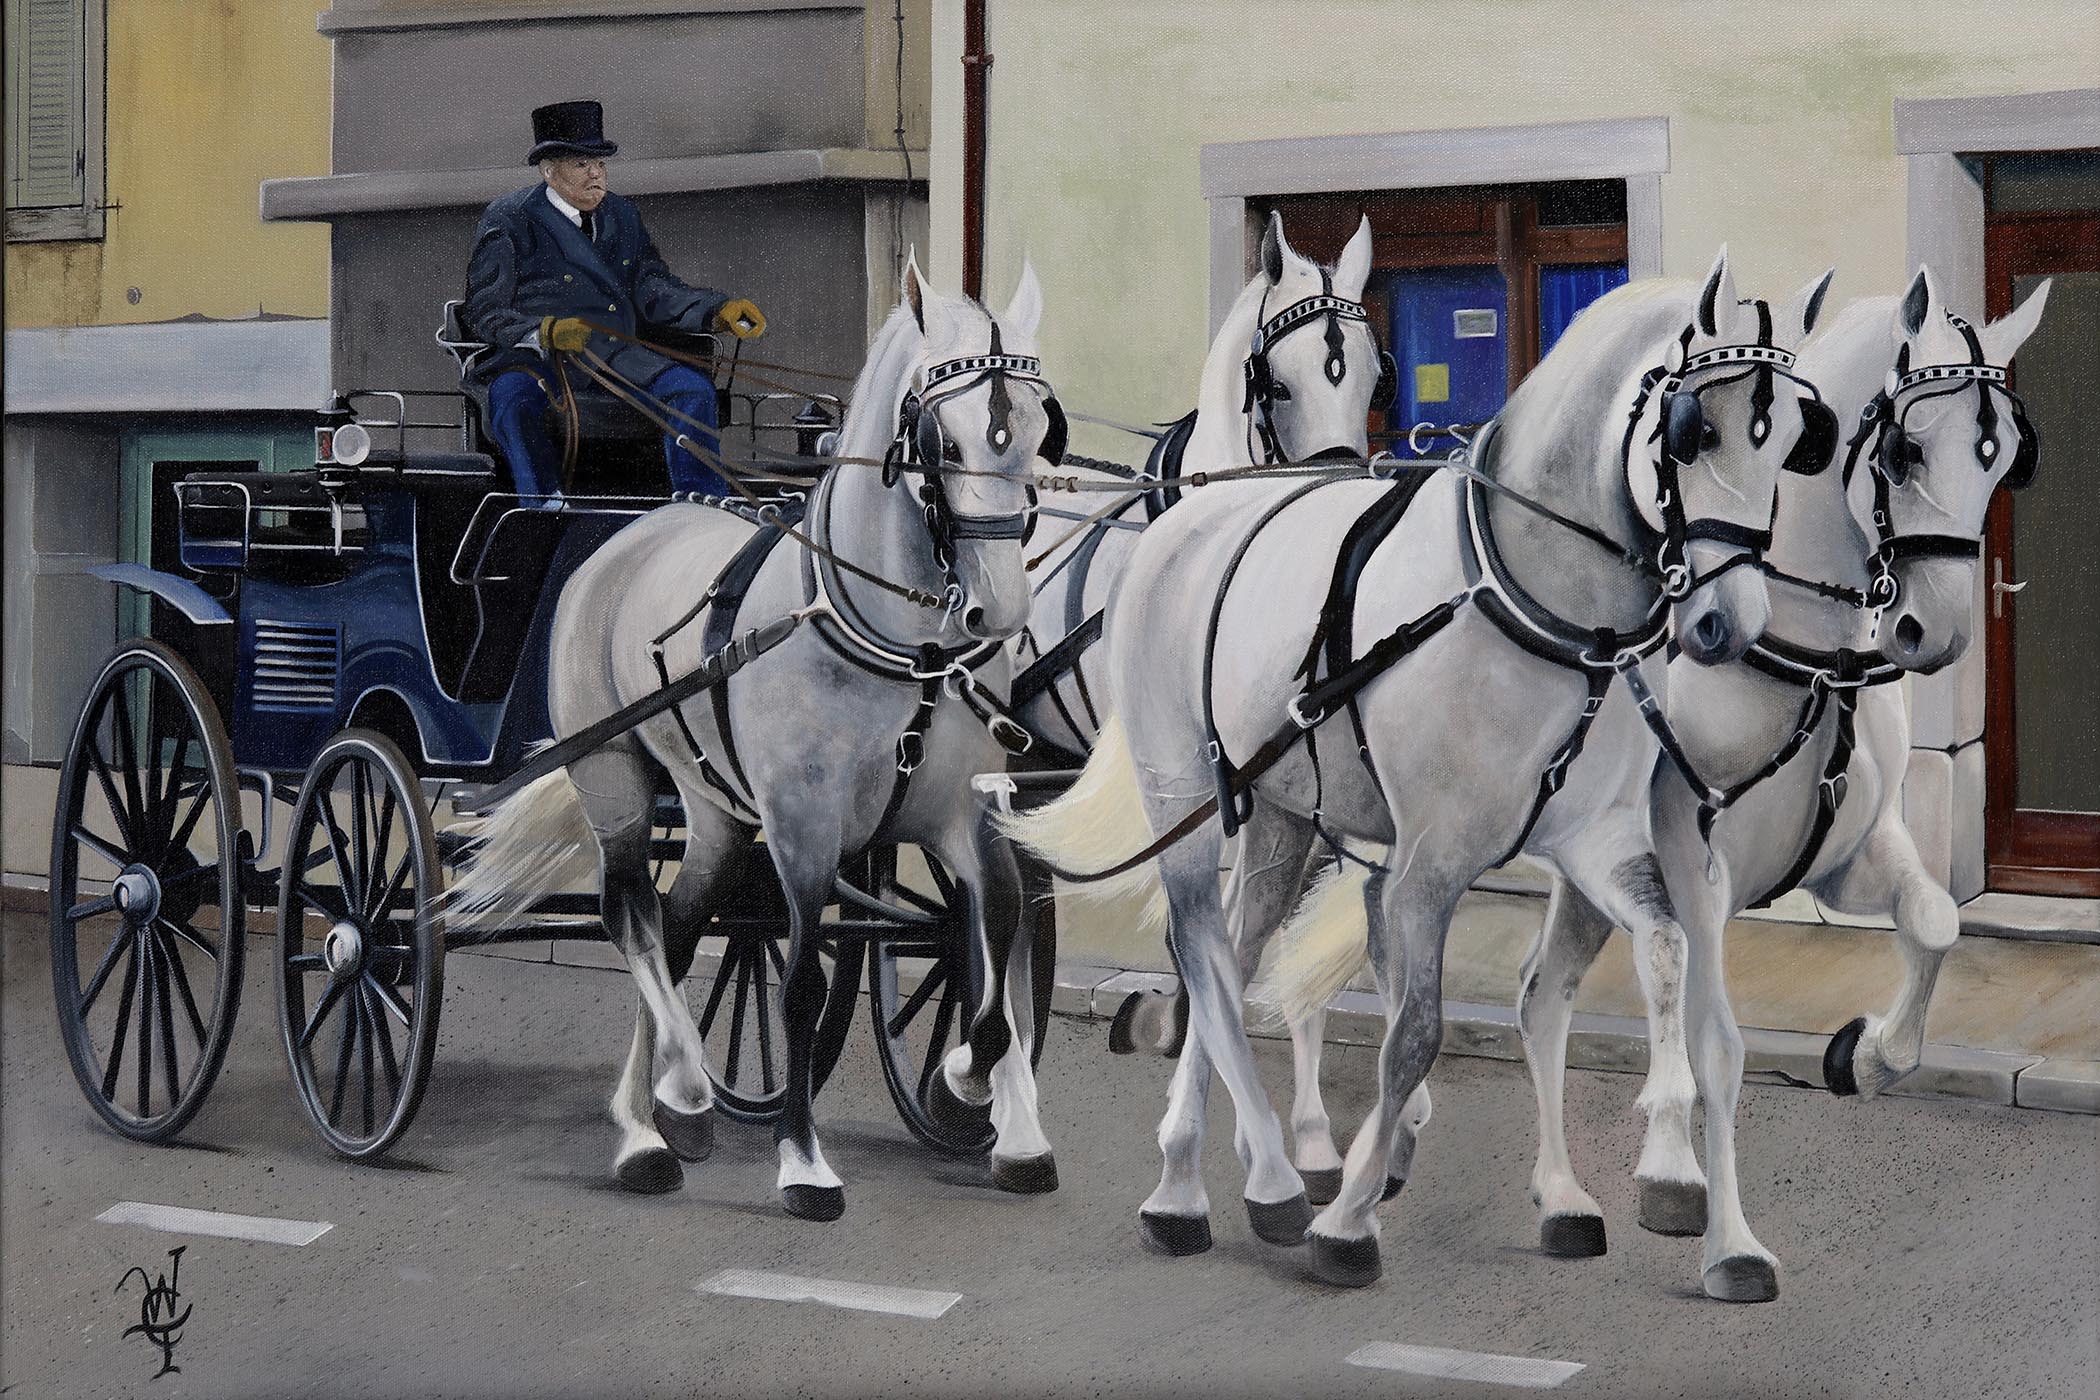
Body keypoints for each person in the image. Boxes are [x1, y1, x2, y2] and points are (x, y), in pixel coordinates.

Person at [461, 100, 767, 498]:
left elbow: (652, 287)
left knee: (692, 391)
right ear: (549, 171)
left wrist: (715, 311)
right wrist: (545, 332)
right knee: (512, 400)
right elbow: (484, 309)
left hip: (618, 357)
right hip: (538, 361)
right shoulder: (510, 218)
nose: (595, 175)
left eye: (601, 164)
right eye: (581, 164)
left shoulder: (622, 215)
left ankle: (700, 504)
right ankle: (543, 509)